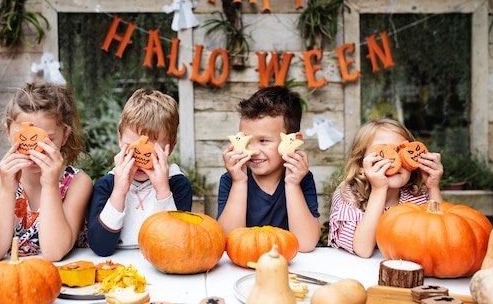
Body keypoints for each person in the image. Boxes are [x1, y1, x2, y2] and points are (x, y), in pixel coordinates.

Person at [0, 81, 93, 262]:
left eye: (46, 140)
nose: (36, 150)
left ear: (65, 136)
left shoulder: (77, 183)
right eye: (25, 140)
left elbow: (54, 252)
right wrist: (6, 190)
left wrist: (50, 186)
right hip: (11, 278)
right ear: (8, 132)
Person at [87, 88, 193, 256]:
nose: (139, 159)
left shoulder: (177, 184)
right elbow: (100, 247)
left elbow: (175, 244)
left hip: (161, 264)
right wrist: (119, 192)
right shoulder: (106, 186)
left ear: (171, 147)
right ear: (120, 139)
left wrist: (163, 192)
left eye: (150, 152)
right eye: (132, 148)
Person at [217, 86, 321, 252]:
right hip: (243, 265)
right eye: (247, 140)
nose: (254, 151)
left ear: (292, 141)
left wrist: (293, 185)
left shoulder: (302, 179)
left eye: (264, 141)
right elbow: (227, 241)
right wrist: (239, 183)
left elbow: (306, 244)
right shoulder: (231, 179)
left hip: (286, 265)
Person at [328, 118, 444, 258]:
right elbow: (363, 249)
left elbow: (441, 238)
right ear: (360, 165)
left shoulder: (416, 199)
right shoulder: (348, 196)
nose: (394, 161)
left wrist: (433, 188)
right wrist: (379, 190)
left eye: (401, 152)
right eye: (383, 152)